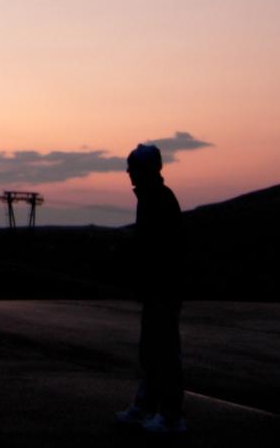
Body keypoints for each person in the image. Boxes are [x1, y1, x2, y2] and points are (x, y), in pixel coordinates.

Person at [116, 142, 186, 435]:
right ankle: (146, 406)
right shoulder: (149, 198)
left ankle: (170, 416)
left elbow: (164, 250)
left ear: (147, 170)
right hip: (156, 288)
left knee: (164, 351)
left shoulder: (159, 199)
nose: (129, 173)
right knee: (151, 350)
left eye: (133, 168)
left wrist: (154, 281)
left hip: (164, 289)